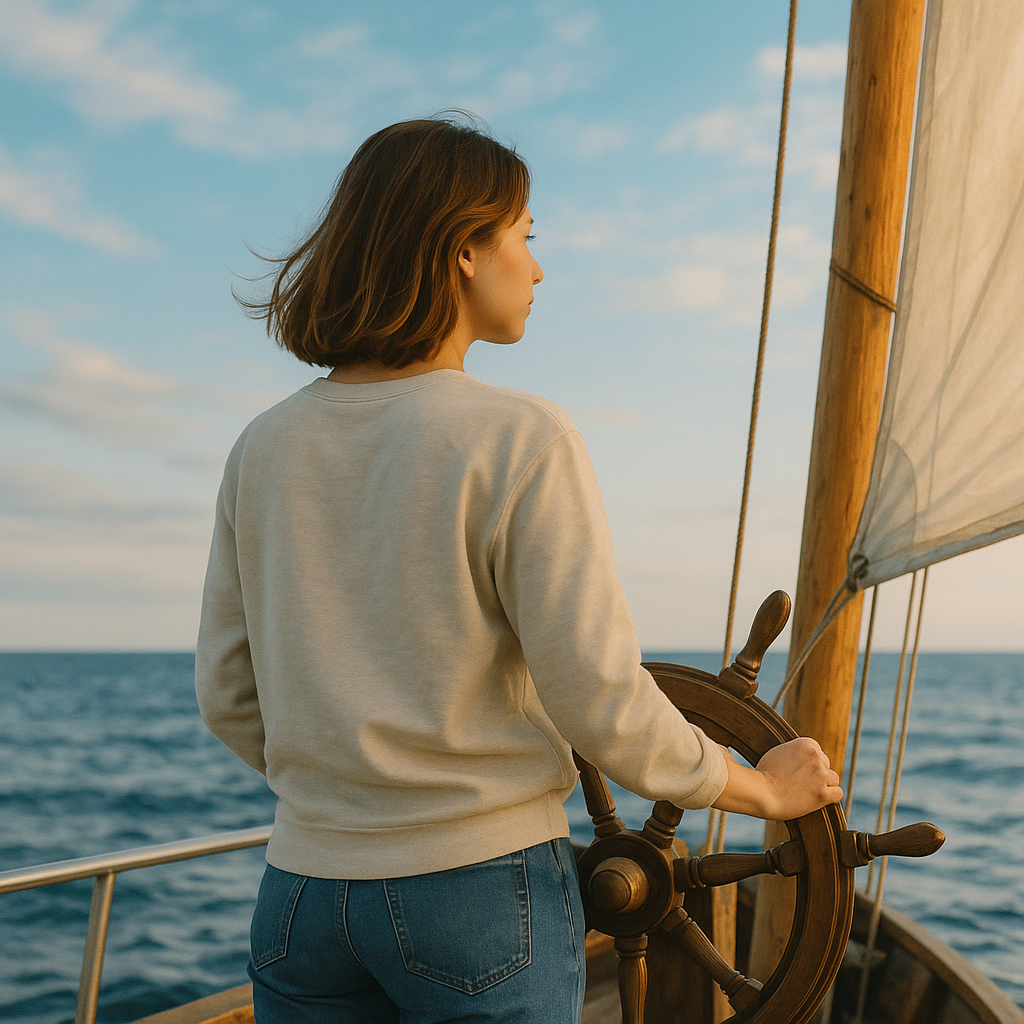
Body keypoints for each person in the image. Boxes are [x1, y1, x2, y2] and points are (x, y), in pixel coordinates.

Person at [195, 115, 841, 1024]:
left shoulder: (262, 448)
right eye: (526, 237)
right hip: (476, 894)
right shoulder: (521, 438)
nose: (537, 268)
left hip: (302, 893)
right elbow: (602, 704)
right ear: (465, 249)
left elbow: (227, 692)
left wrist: (350, 796)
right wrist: (763, 787)